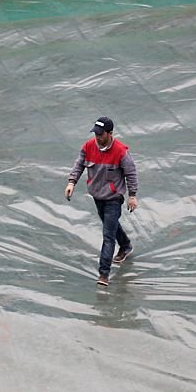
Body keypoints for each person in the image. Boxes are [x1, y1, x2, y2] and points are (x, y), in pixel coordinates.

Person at [65, 117, 139, 287]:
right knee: (110, 225)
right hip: (97, 196)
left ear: (110, 133)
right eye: (95, 133)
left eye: (100, 134)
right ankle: (126, 245)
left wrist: (132, 195)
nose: (97, 137)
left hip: (114, 198)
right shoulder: (88, 146)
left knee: (108, 235)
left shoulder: (121, 152)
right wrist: (71, 182)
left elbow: (131, 174)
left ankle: (103, 273)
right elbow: (79, 165)